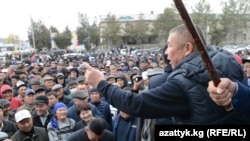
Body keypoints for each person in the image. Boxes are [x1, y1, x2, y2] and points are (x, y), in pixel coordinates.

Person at [81, 24, 247, 124]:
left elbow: (136, 104)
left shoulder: (183, 83)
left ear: (187, 48)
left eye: (169, 46)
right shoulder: (228, 59)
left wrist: (101, 83)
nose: (166, 53)